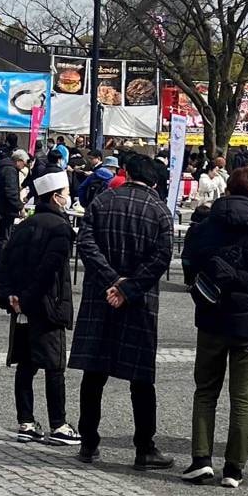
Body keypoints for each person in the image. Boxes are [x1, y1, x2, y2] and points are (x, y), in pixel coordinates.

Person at [70, 152, 174, 469]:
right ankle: (144, 447)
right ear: (155, 181)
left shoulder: (102, 202)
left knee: (94, 374)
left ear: (126, 173)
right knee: (141, 378)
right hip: (139, 302)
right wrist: (128, 288)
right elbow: (161, 258)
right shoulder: (159, 211)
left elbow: (85, 244)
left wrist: (112, 280)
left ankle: (89, 443)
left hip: (100, 296)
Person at [181, 166, 248, 488]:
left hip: (211, 317)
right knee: (242, 396)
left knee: (206, 391)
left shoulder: (204, 227)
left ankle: (200, 459)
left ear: (227, 190)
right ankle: (234, 468)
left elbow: (189, 269)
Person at [0, 170, 81, 446]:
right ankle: (59, 424)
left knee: (26, 364)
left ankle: (26, 422)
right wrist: (29, 298)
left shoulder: (23, 226)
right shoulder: (60, 228)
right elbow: (49, 271)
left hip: (21, 306)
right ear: (56, 197)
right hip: (48, 306)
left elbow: (4, 264)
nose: (68, 197)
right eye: (66, 193)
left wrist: (10, 296)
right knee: (54, 366)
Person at [0, 148, 29, 241]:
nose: (24, 167)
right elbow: (11, 192)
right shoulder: (10, 170)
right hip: (6, 209)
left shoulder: (4, 166)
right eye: (24, 164)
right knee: (3, 237)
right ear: (19, 161)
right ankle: (0, 255)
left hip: (1, 206)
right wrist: (20, 207)